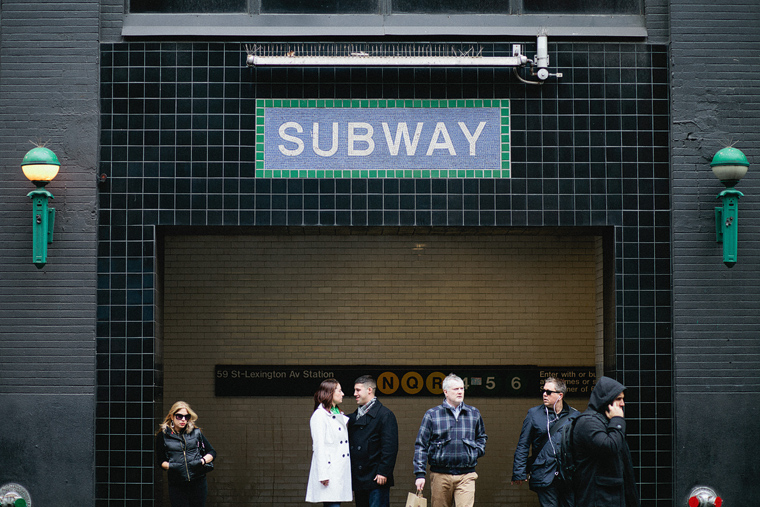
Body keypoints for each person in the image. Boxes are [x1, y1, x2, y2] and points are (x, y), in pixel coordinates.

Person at [413, 373, 487, 507]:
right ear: (445, 392)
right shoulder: (432, 415)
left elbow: (481, 437)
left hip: (467, 475)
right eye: (456, 389)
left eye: (462, 388)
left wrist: (476, 452)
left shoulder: (474, 413)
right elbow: (421, 445)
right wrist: (420, 474)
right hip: (440, 475)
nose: (460, 392)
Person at [572, 376, 639, 507]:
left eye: (623, 399)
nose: (622, 404)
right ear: (606, 400)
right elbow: (609, 446)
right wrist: (618, 420)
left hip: (610, 496)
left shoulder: (605, 421)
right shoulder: (588, 422)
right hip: (597, 497)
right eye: (618, 399)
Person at [511, 377, 579, 507]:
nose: (544, 394)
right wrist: (518, 472)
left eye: (548, 392)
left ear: (560, 395)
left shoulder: (574, 416)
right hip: (544, 472)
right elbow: (523, 444)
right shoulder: (534, 414)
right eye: (543, 391)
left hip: (568, 475)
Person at [347, 375, 399, 507]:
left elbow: (390, 447)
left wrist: (383, 471)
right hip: (360, 478)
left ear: (369, 390)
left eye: (358, 390)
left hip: (376, 477)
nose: (355, 394)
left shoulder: (385, 415)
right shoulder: (353, 418)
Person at [155, 401, 216, 507]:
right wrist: (173, 466)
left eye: (186, 416)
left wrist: (201, 461)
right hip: (177, 483)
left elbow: (212, 452)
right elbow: (161, 461)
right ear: (172, 416)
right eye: (179, 416)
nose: (183, 419)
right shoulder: (163, 436)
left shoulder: (196, 432)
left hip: (198, 481)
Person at [306, 378, 353, 507]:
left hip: (338, 470)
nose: (343, 394)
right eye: (339, 390)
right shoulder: (320, 416)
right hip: (329, 472)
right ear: (330, 393)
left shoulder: (337, 413)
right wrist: (323, 474)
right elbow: (319, 446)